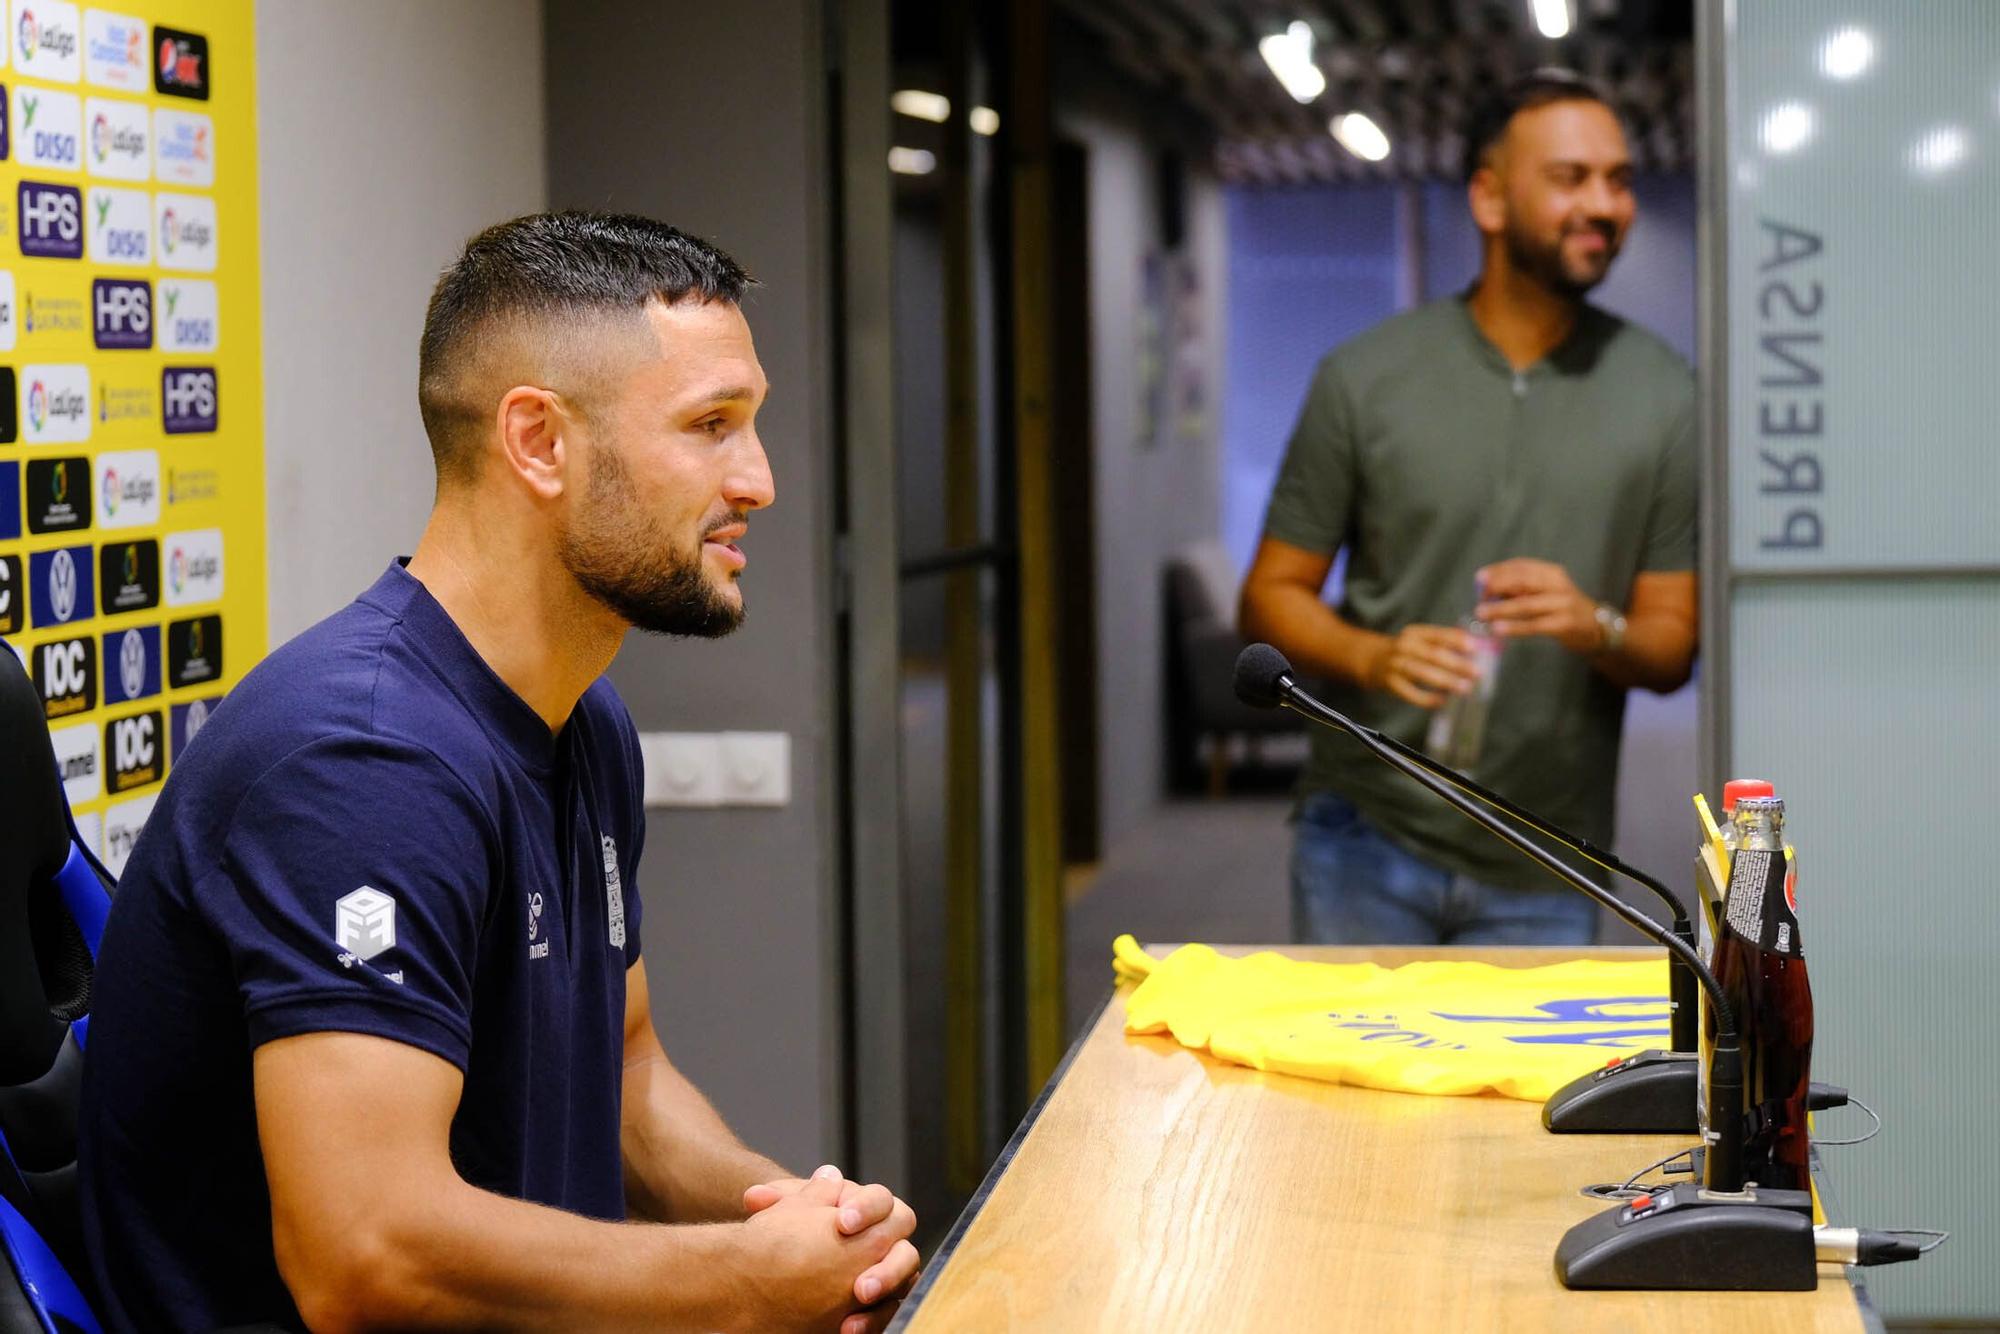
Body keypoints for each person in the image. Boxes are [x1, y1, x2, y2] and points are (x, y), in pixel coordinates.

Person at [78, 212, 919, 1333]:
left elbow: (627, 1085)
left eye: (749, 425)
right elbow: (365, 1253)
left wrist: (792, 1217)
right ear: (537, 441)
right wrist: (742, 1281)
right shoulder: (362, 761)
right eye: (710, 425)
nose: (757, 479)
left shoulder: (584, 718)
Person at [1238, 71, 1698, 947]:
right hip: (1365, 833)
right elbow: (1269, 598)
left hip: (1548, 855)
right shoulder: (1365, 376)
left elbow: (1670, 645)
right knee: (1339, 1089)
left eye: (1621, 178)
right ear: (1489, 197)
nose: (1606, 203)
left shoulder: (1665, 393)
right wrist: (1373, 655)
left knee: (1527, 1095)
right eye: (1572, 177)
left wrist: (1593, 622)